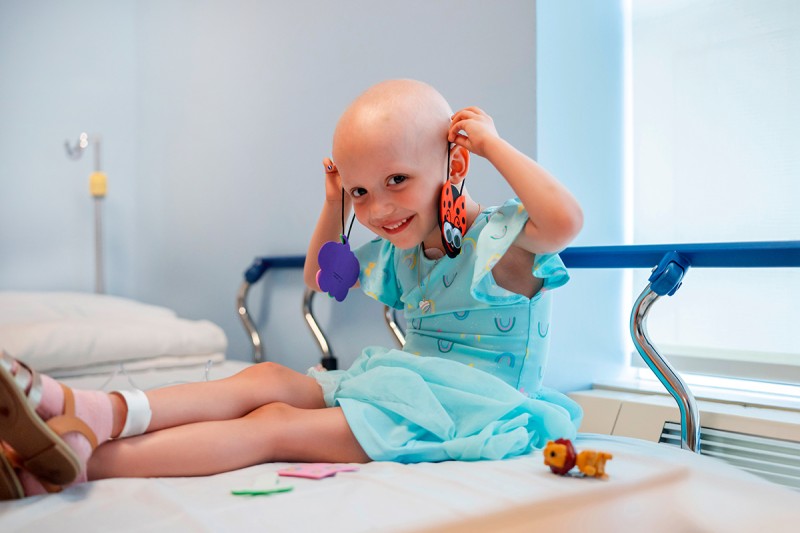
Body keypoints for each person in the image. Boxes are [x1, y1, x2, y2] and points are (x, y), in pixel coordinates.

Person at [0, 79, 582, 500]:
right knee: (268, 378)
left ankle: (82, 462)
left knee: (275, 423)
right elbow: (319, 278)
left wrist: (493, 145)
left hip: (469, 411)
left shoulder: (501, 244)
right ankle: (101, 410)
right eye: (360, 192)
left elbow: (566, 222)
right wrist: (333, 204)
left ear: (454, 163)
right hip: (405, 390)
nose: (377, 209)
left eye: (395, 181)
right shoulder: (401, 253)